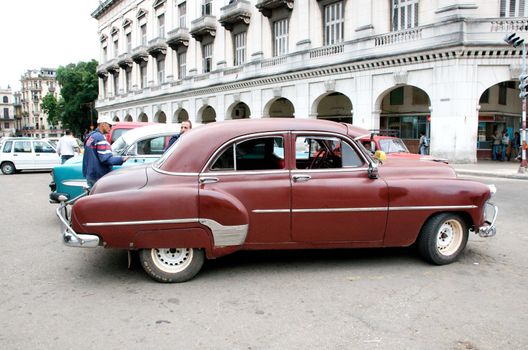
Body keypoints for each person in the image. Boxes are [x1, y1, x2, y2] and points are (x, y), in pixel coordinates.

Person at [82, 115, 128, 187]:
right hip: (98, 176)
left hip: (90, 174)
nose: (111, 128)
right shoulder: (100, 138)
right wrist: (121, 159)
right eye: (110, 125)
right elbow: (106, 159)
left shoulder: (91, 136)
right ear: (103, 124)